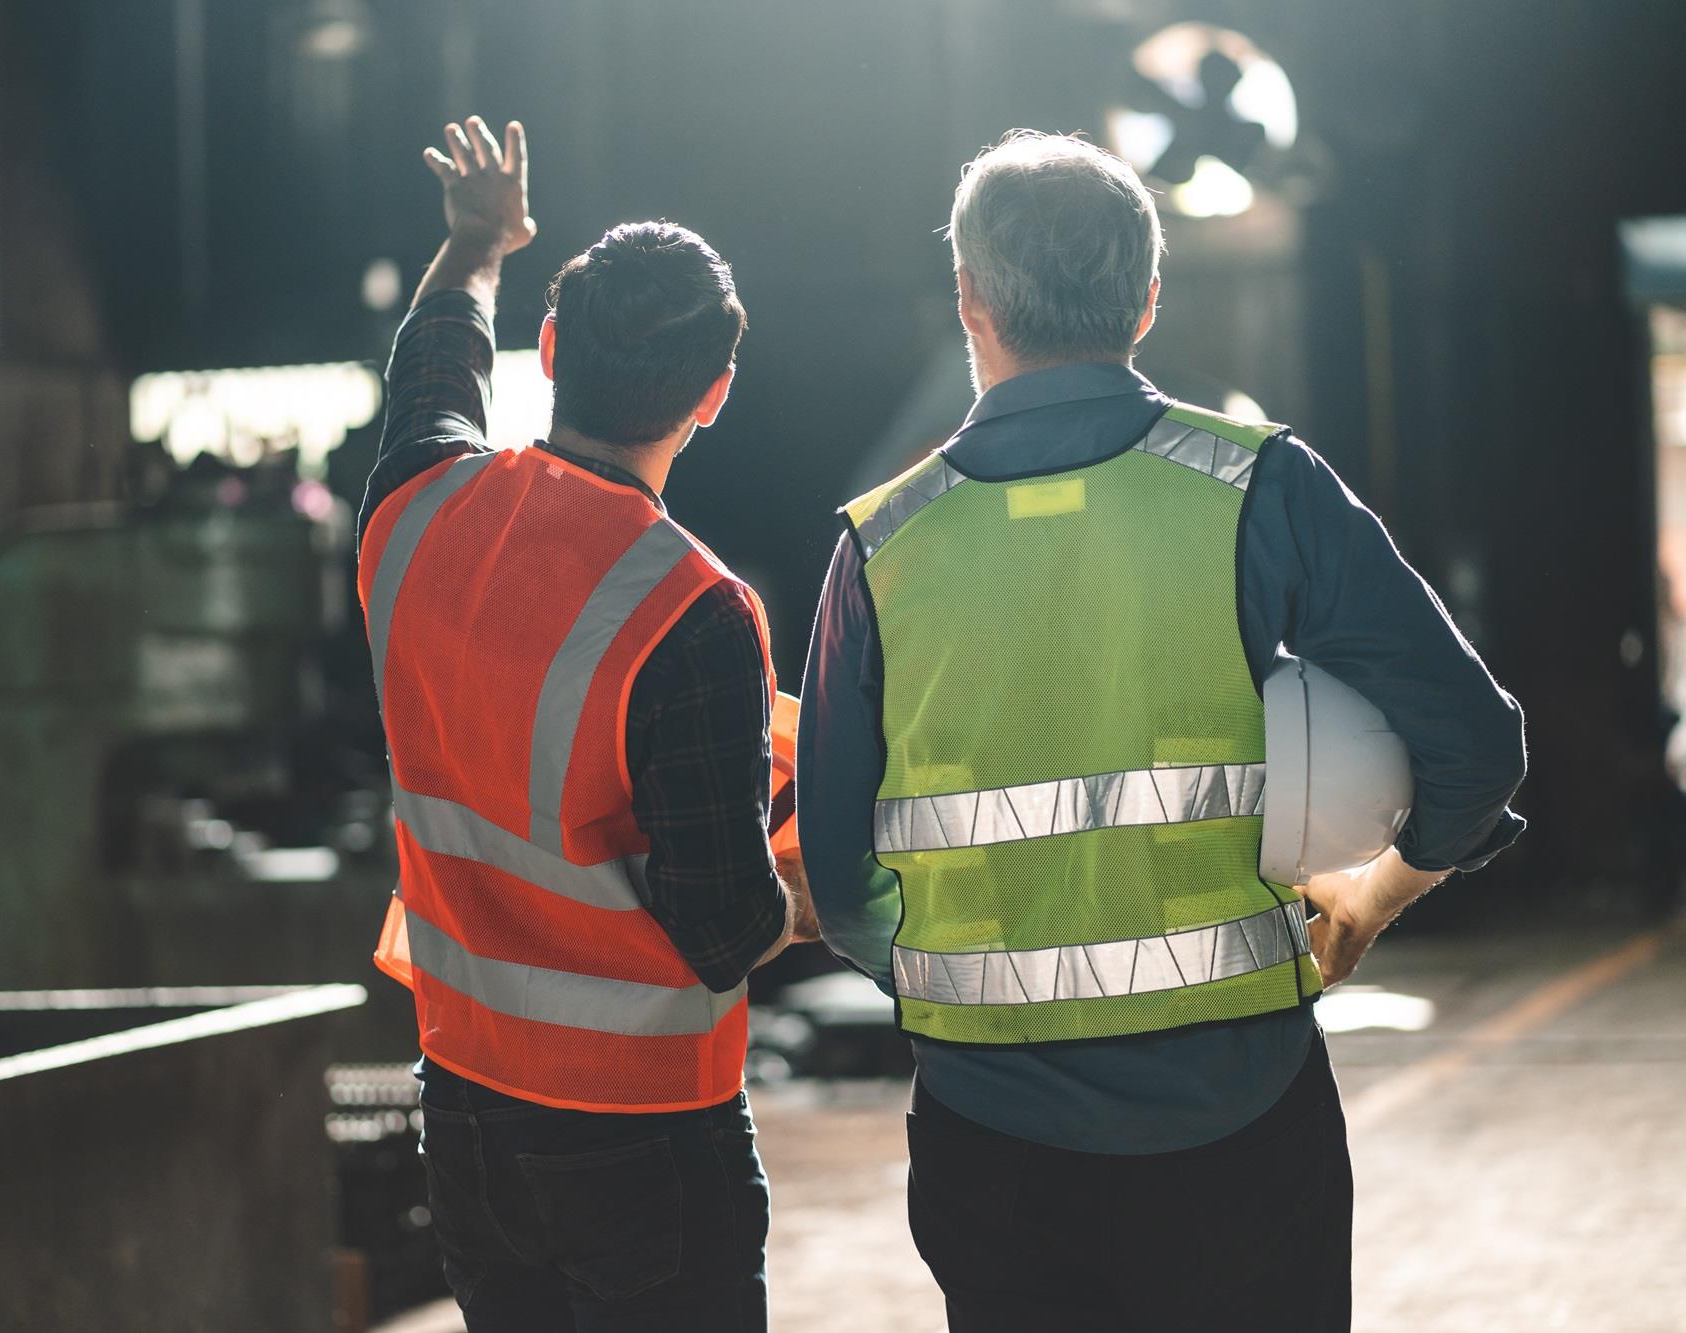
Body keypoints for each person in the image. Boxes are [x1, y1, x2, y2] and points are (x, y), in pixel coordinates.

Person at [797, 130, 1527, 1332]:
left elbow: (837, 877)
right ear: (1145, 297)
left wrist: (952, 981)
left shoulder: (877, 548)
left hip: (991, 1136)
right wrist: (1371, 894)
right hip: (1235, 1112)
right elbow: (1472, 743)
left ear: (968, 300)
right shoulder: (1259, 485)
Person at [358, 115, 813, 1333]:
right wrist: (814, 879)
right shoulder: (697, 612)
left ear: (549, 348)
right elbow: (721, 926)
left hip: (462, 1112)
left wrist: (479, 243)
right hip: (642, 1141)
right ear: (712, 395)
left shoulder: (410, 507)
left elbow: (434, 358)